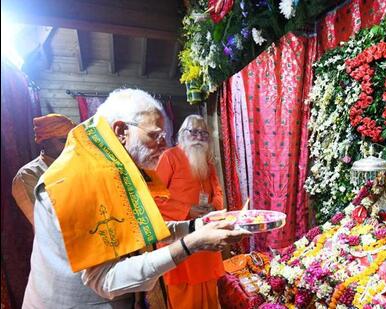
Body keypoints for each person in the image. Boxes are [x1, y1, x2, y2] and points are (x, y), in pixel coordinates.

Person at [22, 89, 249, 308]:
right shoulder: (79, 177)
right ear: (121, 131)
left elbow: (136, 228)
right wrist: (190, 244)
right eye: (154, 135)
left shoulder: (115, 164)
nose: (163, 145)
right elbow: (104, 280)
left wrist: (194, 225)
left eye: (164, 136)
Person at [155, 115, 225, 308]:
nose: (198, 136)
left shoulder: (208, 162)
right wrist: (187, 210)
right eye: (193, 131)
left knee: (210, 290)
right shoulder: (169, 157)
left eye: (203, 133)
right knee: (184, 293)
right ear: (182, 134)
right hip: (179, 237)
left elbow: (217, 191)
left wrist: (214, 205)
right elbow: (154, 198)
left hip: (205, 235)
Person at [11, 113, 76, 226]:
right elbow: (44, 223)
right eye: (63, 140)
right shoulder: (27, 175)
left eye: (73, 139)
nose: (71, 144)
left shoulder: (78, 164)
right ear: (44, 141)